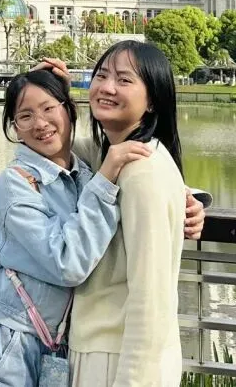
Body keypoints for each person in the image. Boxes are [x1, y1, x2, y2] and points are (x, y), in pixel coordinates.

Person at [0, 68, 152, 386]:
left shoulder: (82, 173)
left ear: (69, 110)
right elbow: (68, 264)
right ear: (15, 127)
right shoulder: (15, 183)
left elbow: (141, 179)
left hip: (51, 343)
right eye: (25, 116)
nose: (40, 123)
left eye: (48, 108)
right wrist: (106, 178)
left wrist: (186, 204)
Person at [69, 41, 187, 386]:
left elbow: (151, 298)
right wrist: (47, 92)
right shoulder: (115, 155)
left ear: (152, 100)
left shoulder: (140, 172)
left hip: (116, 359)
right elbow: (51, 150)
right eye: (101, 76)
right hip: (107, 350)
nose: (107, 87)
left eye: (124, 80)